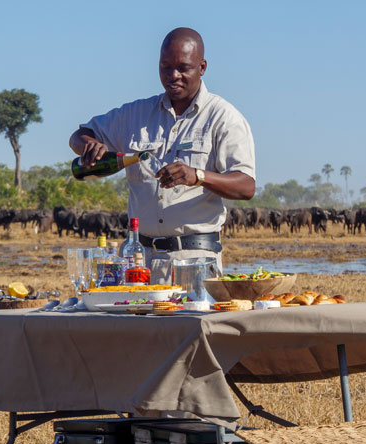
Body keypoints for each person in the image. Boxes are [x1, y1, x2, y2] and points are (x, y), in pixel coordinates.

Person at [69, 27, 255, 283]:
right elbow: (79, 135)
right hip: (138, 259)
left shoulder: (223, 118)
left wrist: (197, 175)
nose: (173, 76)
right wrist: (89, 145)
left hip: (195, 260)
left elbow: (246, 186)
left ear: (202, 67)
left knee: (192, 323)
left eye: (183, 67)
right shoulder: (135, 114)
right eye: (165, 67)